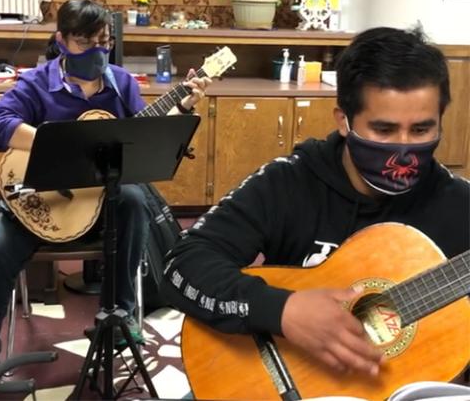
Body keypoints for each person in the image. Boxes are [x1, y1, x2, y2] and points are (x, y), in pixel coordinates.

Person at [161, 27, 469, 378]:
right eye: (383, 130)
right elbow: (182, 265)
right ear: (344, 121)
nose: (402, 147)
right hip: (280, 378)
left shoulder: (460, 206)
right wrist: (282, 310)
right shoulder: (288, 182)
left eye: (420, 130)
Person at [0, 0, 211, 370]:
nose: (96, 51)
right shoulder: (36, 83)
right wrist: (52, 143)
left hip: (100, 208)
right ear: (61, 39)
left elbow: (143, 138)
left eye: (104, 42)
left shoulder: (122, 84)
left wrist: (184, 106)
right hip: (42, 204)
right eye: (85, 43)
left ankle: (120, 315)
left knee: (133, 198)